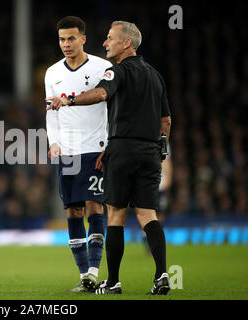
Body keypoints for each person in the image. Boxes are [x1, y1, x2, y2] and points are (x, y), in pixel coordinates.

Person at [46, 21, 172, 295]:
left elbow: (101, 93)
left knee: (114, 214)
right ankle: (162, 274)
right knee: (148, 214)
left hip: (122, 150)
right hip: (151, 152)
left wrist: (68, 100)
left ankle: (112, 280)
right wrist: (162, 150)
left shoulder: (116, 71)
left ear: (126, 43)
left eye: (110, 38)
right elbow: (166, 120)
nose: (106, 43)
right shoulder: (155, 75)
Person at [45, 16, 112, 293]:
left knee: (95, 206)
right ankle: (84, 275)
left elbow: (112, 106)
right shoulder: (52, 73)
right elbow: (49, 111)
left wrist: (109, 145)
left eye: (71, 38)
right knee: (72, 210)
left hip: (95, 147)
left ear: (83, 38)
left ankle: (95, 271)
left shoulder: (102, 67)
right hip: (68, 151)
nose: (66, 44)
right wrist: (53, 142)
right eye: (62, 39)